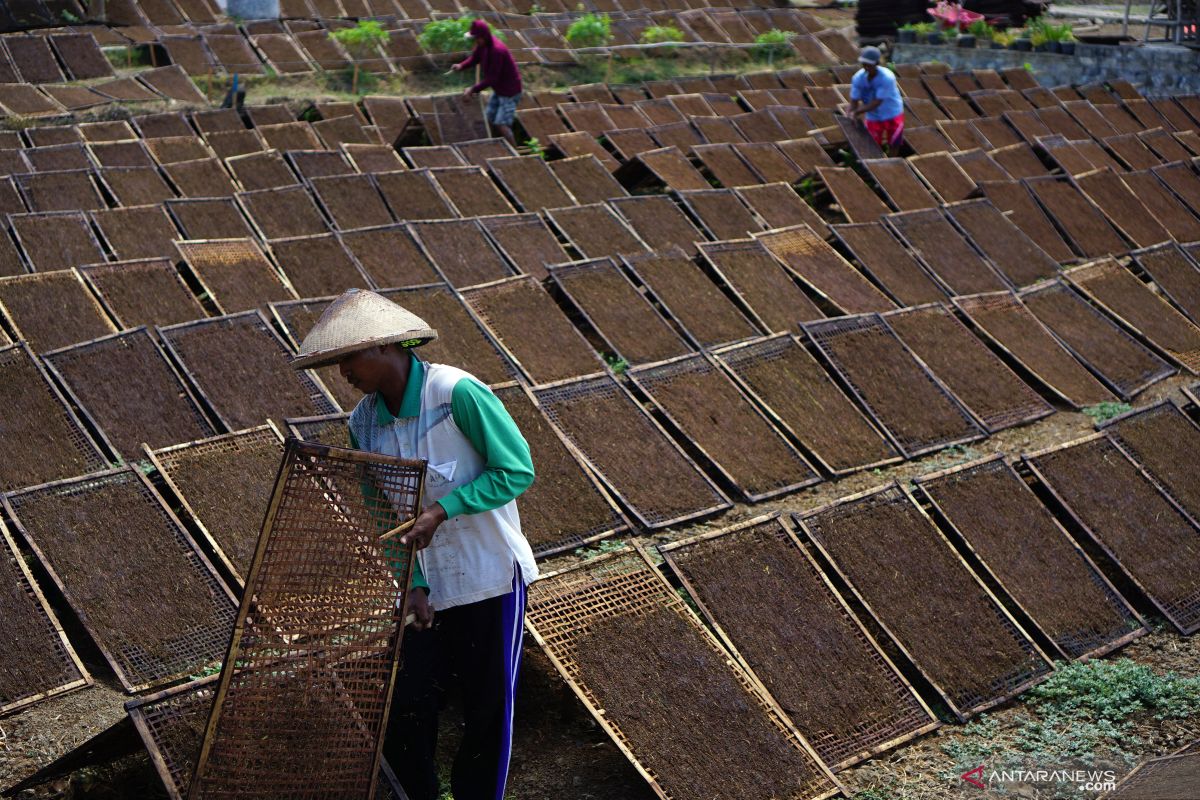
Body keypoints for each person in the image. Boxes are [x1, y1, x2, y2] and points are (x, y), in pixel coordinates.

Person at [291, 288, 538, 800]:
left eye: (349, 358)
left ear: (387, 347)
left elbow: (515, 469)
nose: (343, 373)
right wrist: (413, 582)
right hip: (427, 590)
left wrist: (442, 509)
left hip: (489, 576)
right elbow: (382, 510)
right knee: (408, 707)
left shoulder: (456, 394)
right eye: (335, 362)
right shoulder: (363, 424)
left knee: (487, 709)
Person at [451, 19, 523, 147]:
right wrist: (461, 65)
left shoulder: (497, 51)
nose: (475, 41)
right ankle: (499, 147)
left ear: (483, 36)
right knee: (489, 117)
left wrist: (472, 89)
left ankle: (516, 156)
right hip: (500, 90)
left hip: (510, 91)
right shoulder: (482, 45)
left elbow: (491, 79)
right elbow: (475, 58)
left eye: (476, 38)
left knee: (501, 123)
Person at [847, 45, 905, 154]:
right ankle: (875, 164)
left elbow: (877, 102)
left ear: (876, 64)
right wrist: (851, 113)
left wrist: (857, 111)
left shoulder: (887, 77)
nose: (866, 67)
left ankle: (892, 161)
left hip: (892, 111)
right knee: (872, 143)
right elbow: (854, 100)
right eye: (864, 64)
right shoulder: (858, 78)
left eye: (870, 65)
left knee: (894, 141)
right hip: (873, 114)